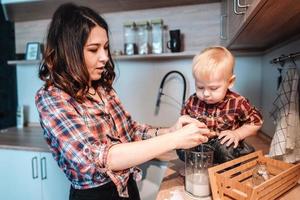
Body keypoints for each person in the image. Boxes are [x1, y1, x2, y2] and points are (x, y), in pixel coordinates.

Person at [35, 3, 212, 200]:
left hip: (127, 188)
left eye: (106, 47)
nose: (104, 57)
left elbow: (130, 131)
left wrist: (169, 131)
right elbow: (101, 157)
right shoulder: (51, 98)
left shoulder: (102, 89)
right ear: (68, 51)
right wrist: (175, 139)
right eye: (94, 49)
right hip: (95, 195)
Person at [181, 46, 263, 163]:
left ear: (230, 82)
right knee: (181, 147)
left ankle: (234, 161)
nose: (206, 94)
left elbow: (256, 122)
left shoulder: (238, 102)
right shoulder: (192, 101)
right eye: (200, 87)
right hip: (202, 143)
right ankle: (196, 167)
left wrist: (237, 134)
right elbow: (184, 121)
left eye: (213, 88)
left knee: (225, 150)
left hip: (224, 144)